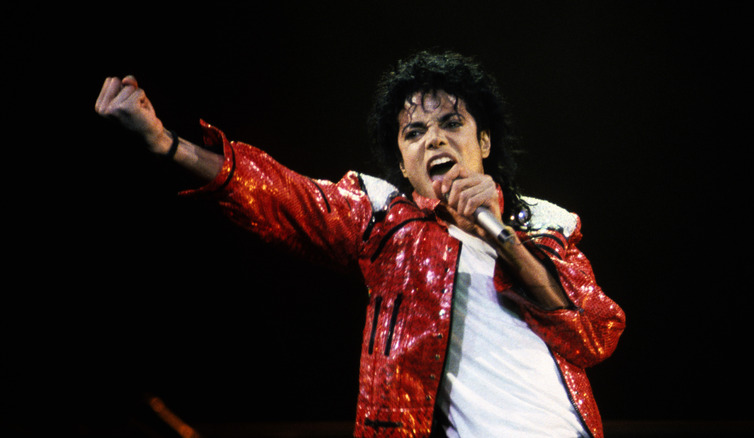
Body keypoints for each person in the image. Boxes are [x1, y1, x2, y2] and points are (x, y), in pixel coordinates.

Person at [95, 51, 625, 438]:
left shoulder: (544, 226)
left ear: (483, 143)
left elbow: (594, 334)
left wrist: (498, 231)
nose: (434, 139)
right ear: (402, 164)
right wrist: (165, 145)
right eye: (413, 131)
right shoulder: (386, 225)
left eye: (451, 124)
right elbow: (278, 193)